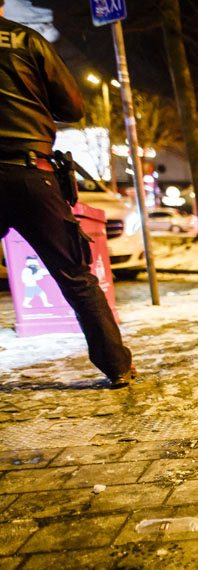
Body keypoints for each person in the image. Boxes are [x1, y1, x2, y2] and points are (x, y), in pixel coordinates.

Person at [0, 0, 135, 387]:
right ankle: (117, 366)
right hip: (33, 174)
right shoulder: (27, 41)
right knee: (76, 275)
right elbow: (72, 107)